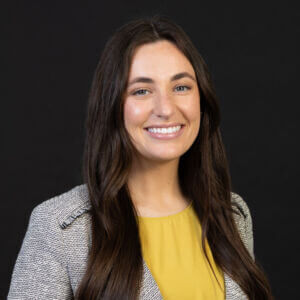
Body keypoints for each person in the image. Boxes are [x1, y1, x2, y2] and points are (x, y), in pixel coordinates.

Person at [7, 14, 273, 299]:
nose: (166, 108)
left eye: (181, 86)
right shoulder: (60, 226)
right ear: (112, 105)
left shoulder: (232, 215)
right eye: (142, 91)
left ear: (202, 99)